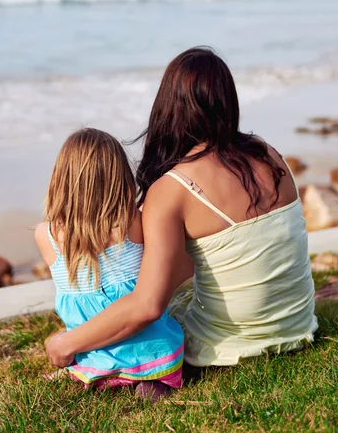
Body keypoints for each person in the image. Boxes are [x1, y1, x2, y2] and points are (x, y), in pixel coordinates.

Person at [46, 48, 317, 370]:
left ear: (169, 105)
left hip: (229, 346)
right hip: (298, 326)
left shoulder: (174, 189)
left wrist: (64, 343)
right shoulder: (269, 154)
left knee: (153, 312)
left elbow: (147, 306)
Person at [35, 128, 184, 396]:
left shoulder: (46, 236)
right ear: (120, 176)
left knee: (64, 339)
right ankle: (149, 380)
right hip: (157, 356)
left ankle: (96, 374)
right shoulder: (134, 222)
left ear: (61, 179)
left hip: (93, 357)